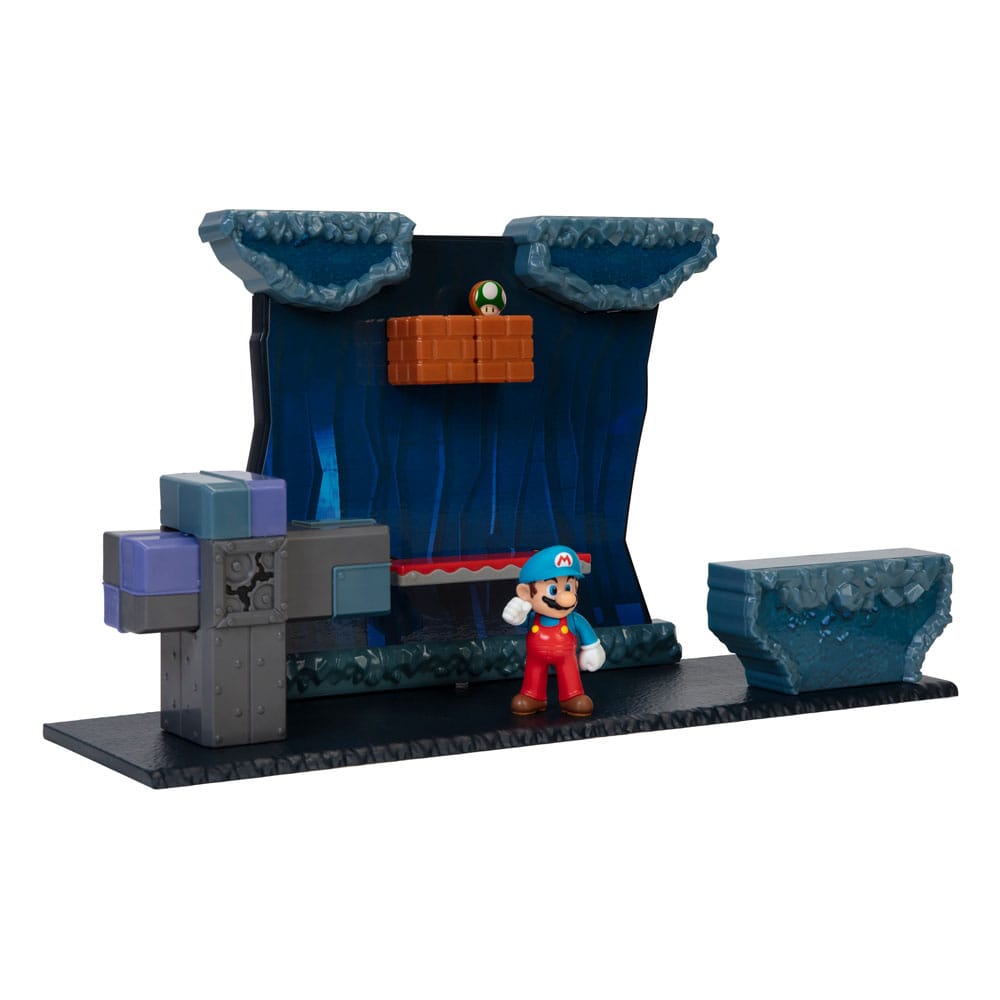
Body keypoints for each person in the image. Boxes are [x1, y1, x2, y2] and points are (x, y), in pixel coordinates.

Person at [502, 545, 606, 717]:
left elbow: (586, 631)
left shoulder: (574, 619)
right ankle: (533, 696)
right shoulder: (533, 617)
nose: (566, 597)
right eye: (553, 590)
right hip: (536, 657)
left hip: (566, 657)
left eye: (568, 587)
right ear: (526, 593)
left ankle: (572, 696)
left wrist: (592, 648)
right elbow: (520, 621)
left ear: (576, 586)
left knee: (569, 672)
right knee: (534, 672)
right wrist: (517, 616)